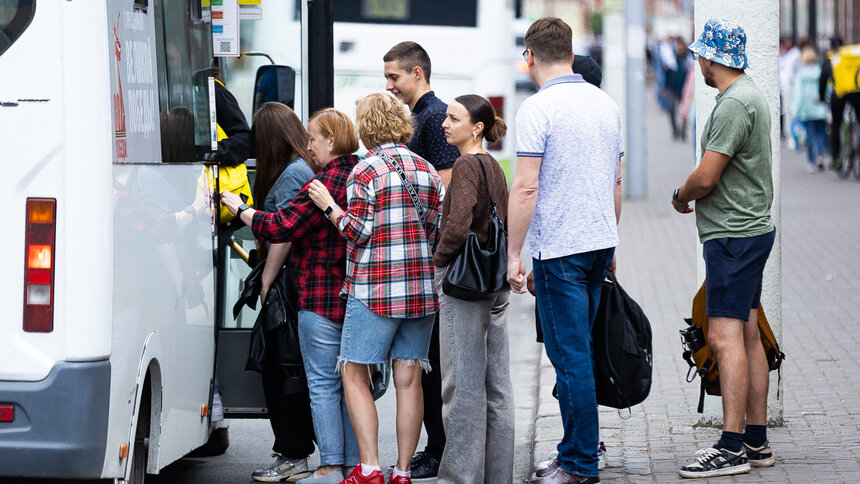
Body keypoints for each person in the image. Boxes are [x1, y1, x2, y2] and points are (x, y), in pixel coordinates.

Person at [507, 17, 623, 484]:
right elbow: (616, 184)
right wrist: (613, 239)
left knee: (570, 359)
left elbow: (526, 188)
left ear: (530, 57)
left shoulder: (537, 108)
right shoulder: (606, 104)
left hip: (560, 251)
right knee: (582, 354)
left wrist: (514, 254)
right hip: (598, 244)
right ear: (571, 55)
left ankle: (578, 464)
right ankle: (573, 450)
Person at [307, 92, 444, 484]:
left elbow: (358, 231)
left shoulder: (364, 172)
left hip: (374, 291)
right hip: (420, 294)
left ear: (366, 129)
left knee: (353, 374)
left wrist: (329, 206)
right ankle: (402, 472)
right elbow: (434, 230)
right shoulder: (427, 170)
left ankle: (368, 468)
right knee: (410, 379)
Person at [220, 107, 362, 483]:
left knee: (322, 386)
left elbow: (282, 226)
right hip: (349, 295)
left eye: (314, 137)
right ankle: (350, 465)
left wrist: (241, 209)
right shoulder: (357, 171)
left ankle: (331, 466)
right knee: (348, 384)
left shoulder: (321, 179)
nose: (308, 144)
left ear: (330, 140)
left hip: (319, 294)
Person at [671, 19, 776, 479]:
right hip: (746, 231)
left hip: (733, 235)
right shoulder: (747, 95)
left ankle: (731, 447)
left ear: (714, 58)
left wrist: (680, 194)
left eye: (701, 55)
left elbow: (707, 174)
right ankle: (756, 439)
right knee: (748, 333)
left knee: (724, 336)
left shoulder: (734, 104)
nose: (697, 62)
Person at [383, 40, 459, 481]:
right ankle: (436, 445)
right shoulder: (420, 116)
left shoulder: (433, 117)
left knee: (430, 362)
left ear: (417, 73)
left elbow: (445, 187)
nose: (389, 85)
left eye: (394, 76)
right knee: (424, 361)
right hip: (421, 256)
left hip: (430, 257)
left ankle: (438, 447)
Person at [433, 94, 513, 484]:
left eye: (453, 118)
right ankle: (498, 477)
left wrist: (439, 259)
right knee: (496, 389)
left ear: (476, 127)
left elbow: (459, 221)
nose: (445, 124)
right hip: (493, 282)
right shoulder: (493, 165)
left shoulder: (466, 164)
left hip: (465, 286)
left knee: (461, 388)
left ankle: (459, 479)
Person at [792, 47, 829, 173]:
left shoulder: (801, 74)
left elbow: (798, 94)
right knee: (821, 134)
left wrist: (795, 111)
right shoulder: (820, 71)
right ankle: (820, 156)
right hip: (820, 108)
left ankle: (811, 162)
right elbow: (828, 88)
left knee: (809, 136)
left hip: (807, 110)